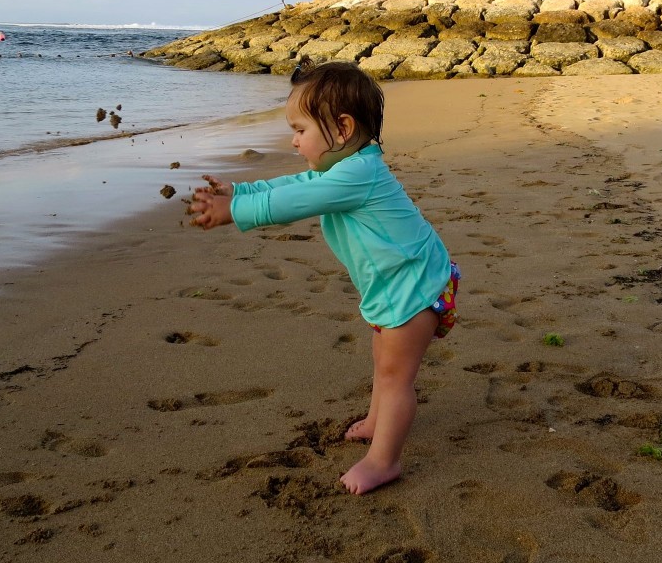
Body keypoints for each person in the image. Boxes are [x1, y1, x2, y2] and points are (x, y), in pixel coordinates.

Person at [188, 59, 460, 496]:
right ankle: (377, 421)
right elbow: (295, 185)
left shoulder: (357, 174)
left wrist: (233, 212)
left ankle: (383, 461)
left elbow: (291, 204)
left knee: (396, 377)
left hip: (412, 286)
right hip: (399, 280)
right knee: (383, 362)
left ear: (343, 127)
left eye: (300, 130)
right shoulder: (346, 168)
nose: (294, 141)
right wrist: (242, 191)